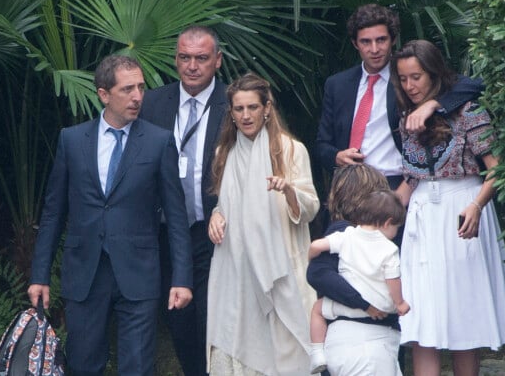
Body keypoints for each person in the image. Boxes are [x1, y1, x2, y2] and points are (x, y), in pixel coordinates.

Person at [28, 55, 193, 376]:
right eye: (127, 89)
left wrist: (182, 279)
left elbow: (176, 216)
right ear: (104, 94)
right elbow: (52, 213)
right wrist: (39, 275)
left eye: (141, 88)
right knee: (83, 365)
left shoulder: (159, 142)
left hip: (139, 272)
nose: (137, 97)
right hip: (84, 273)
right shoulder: (72, 140)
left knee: (138, 368)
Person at [392, 40, 505, 376]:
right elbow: (411, 179)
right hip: (423, 216)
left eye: (416, 77)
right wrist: (377, 217)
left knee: (465, 316)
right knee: (421, 316)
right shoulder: (406, 116)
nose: (410, 86)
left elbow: (497, 169)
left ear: (433, 74)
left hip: (462, 207)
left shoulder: (468, 111)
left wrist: (477, 204)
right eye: (404, 79)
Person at [207, 73, 320, 375]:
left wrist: (289, 190)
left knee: (285, 353)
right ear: (230, 113)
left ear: (267, 108)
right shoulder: (224, 153)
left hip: (280, 267)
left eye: (252, 108)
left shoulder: (291, 149)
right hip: (236, 268)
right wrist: (216, 216)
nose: (246, 116)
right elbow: (226, 203)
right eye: (239, 109)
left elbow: (311, 207)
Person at [316, 3, 485, 193]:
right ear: (355, 43)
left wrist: (431, 104)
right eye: (366, 42)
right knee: (339, 224)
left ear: (393, 40)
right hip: (349, 184)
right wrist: (337, 156)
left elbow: (473, 84)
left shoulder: (407, 78)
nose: (374, 49)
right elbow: (322, 145)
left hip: (395, 183)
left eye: (381, 40)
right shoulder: (337, 84)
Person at [140, 25, 227, 376]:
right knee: (178, 319)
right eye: (185, 57)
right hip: (164, 234)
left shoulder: (234, 103)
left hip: (214, 232)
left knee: (211, 319)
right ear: (175, 59)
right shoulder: (153, 103)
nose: (192, 66)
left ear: (217, 61)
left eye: (202, 58)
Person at [306, 165, 404, 376]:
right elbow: (318, 274)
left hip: (351, 345)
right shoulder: (348, 233)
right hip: (364, 345)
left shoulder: (353, 236)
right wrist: (364, 303)